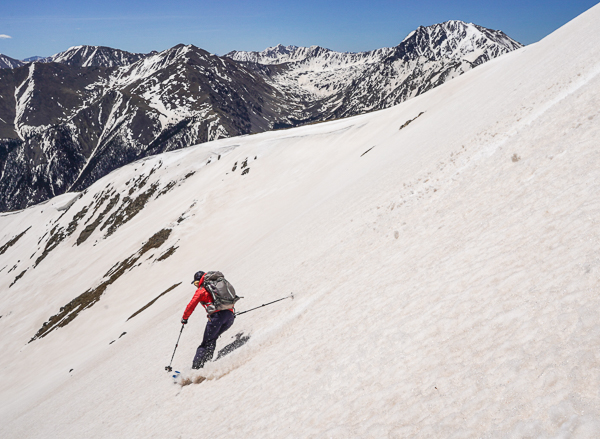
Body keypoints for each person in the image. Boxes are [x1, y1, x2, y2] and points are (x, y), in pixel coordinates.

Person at [181, 271, 236, 369]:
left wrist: (184, 318)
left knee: (206, 343)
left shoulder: (202, 290)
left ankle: (197, 368)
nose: (196, 286)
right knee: (211, 339)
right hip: (230, 316)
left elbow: (191, 305)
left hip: (217, 318)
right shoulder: (217, 284)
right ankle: (206, 363)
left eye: (196, 283)